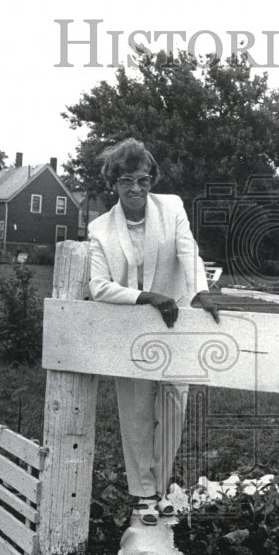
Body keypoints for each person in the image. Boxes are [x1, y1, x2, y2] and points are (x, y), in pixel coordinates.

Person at [87, 138, 220, 526]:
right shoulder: (100, 229)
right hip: (130, 325)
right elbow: (98, 286)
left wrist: (200, 293)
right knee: (136, 410)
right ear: (114, 182)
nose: (136, 189)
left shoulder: (172, 207)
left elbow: (187, 252)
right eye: (127, 180)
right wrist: (145, 296)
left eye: (143, 180)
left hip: (174, 322)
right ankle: (143, 494)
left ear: (151, 180)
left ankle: (160, 488)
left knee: (174, 405)